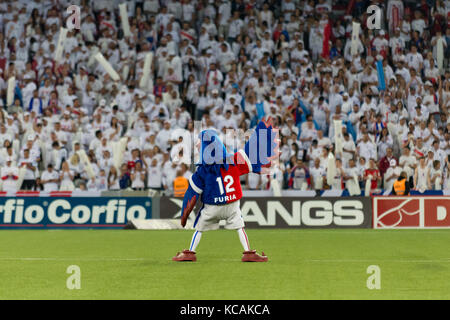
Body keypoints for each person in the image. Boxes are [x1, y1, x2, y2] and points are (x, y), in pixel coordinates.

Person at [172, 119, 277, 262]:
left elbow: (192, 194)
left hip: (212, 207)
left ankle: (191, 252)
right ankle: (248, 252)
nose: (197, 145)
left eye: (199, 143)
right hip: (232, 204)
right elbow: (251, 157)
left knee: (199, 228)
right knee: (240, 227)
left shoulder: (202, 171)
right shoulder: (233, 161)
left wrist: (185, 214)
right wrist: (261, 137)